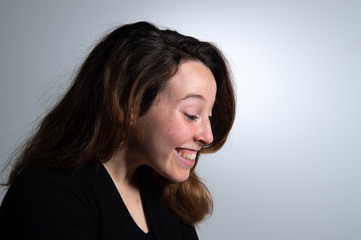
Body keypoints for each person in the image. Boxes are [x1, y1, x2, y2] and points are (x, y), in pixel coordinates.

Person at [0, 21, 235, 239]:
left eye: (209, 117)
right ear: (129, 104)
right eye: (191, 114)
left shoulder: (168, 200)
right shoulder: (47, 195)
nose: (207, 136)